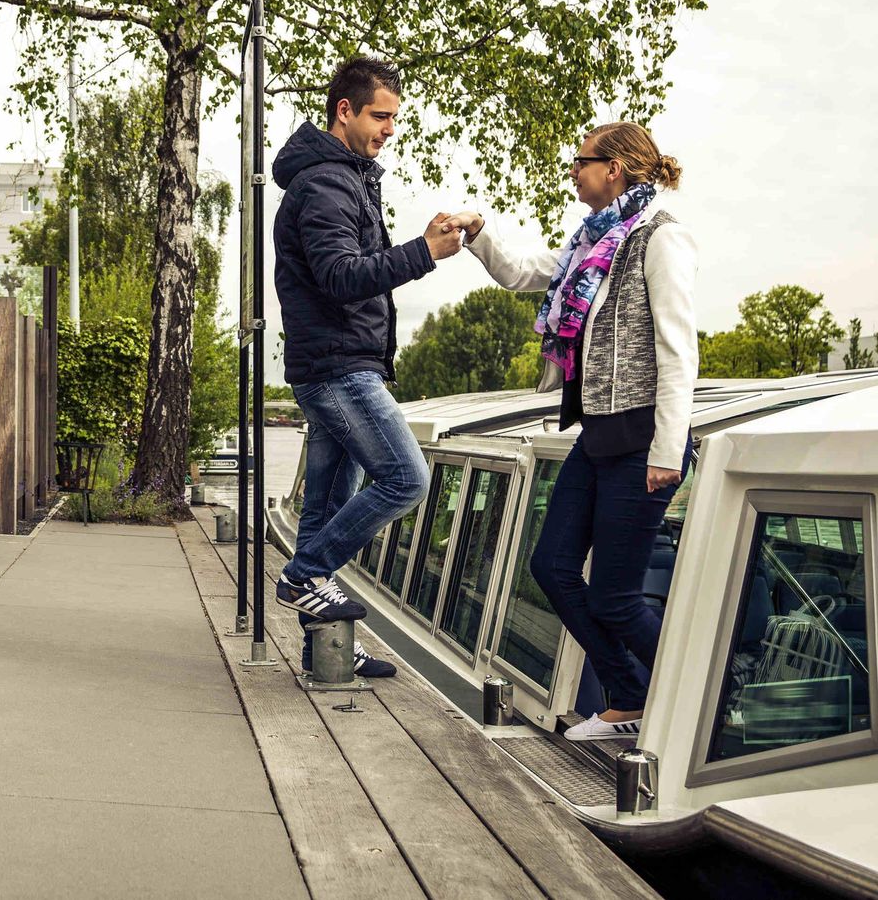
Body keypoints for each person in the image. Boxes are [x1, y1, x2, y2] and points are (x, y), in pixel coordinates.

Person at [441, 121, 697, 738]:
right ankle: (630, 692)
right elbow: (523, 272)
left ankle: (699, 702)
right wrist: (480, 231)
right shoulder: (594, 238)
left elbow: (677, 348)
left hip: (643, 444)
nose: (573, 173)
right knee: (552, 566)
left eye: (580, 162)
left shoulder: (662, 236)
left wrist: (667, 450)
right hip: (599, 436)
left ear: (614, 168)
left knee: (614, 597)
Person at [271, 57, 463, 678]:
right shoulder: (325, 184)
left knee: (325, 509)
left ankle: (322, 649)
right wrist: (424, 253)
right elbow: (341, 279)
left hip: (345, 362)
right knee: (407, 480)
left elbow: (360, 266)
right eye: (380, 116)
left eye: (393, 119)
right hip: (336, 366)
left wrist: (417, 240)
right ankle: (302, 577)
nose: (388, 129)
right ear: (344, 111)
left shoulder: (346, 179)